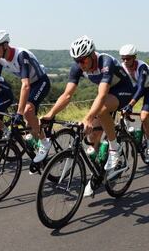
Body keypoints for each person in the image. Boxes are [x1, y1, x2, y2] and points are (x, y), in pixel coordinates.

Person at [41, 35, 135, 195]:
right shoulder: (78, 67)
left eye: (83, 60)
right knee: (92, 138)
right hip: (106, 95)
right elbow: (67, 95)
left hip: (123, 90)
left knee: (102, 109)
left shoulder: (106, 62)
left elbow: (102, 95)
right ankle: (98, 172)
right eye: (76, 61)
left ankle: (115, 149)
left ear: (92, 55)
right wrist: (50, 114)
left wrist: (88, 118)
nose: (80, 64)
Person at [0, 29, 51, 164]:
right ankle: (35, 141)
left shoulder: (21, 55)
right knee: (29, 123)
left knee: (26, 111)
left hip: (40, 82)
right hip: (29, 86)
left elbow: (25, 85)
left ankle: (45, 142)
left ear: (5, 45)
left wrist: (19, 113)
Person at [119, 44, 149, 162]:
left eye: (128, 58)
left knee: (144, 116)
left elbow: (141, 88)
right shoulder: (123, 67)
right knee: (122, 110)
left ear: (134, 57)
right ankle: (130, 133)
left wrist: (131, 105)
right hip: (137, 87)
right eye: (123, 58)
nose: (125, 61)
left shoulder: (142, 67)